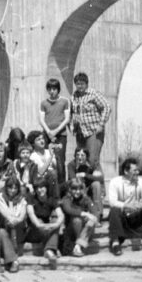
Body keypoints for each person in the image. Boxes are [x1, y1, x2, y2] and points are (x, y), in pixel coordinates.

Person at [70, 72, 110, 213]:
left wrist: (101, 124)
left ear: (86, 83)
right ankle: (88, 189)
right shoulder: (74, 96)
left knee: (93, 160)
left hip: (93, 132)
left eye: (82, 83)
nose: (80, 86)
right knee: (84, 161)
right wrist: (72, 127)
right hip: (80, 132)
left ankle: (101, 191)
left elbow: (107, 107)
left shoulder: (93, 94)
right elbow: (73, 113)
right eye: (77, 84)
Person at [25, 178, 64, 269]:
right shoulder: (31, 198)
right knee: (39, 221)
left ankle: (49, 250)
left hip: (46, 229)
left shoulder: (51, 199)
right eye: (37, 188)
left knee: (56, 221)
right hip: (34, 230)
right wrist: (39, 225)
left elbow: (61, 215)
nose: (39, 190)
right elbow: (31, 214)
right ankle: (52, 248)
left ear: (46, 188)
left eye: (42, 187)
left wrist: (56, 225)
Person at [39, 78, 71, 183]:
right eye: (49, 89)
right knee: (46, 158)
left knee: (60, 160)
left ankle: (62, 186)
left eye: (54, 89)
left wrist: (55, 131)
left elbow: (67, 119)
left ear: (58, 89)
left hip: (61, 135)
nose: (52, 91)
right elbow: (41, 120)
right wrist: (49, 132)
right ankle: (47, 184)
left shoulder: (65, 101)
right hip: (47, 135)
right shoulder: (44, 103)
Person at [60, 177, 98, 257]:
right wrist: (84, 214)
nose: (77, 191)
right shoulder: (66, 199)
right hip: (71, 230)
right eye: (74, 189)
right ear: (70, 189)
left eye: (79, 189)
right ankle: (79, 243)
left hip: (86, 230)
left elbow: (94, 211)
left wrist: (91, 216)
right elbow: (68, 210)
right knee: (77, 219)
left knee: (92, 220)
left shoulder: (86, 198)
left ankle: (78, 245)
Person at [65, 148, 104, 217]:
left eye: (82, 155)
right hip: (77, 188)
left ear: (87, 157)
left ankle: (98, 213)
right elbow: (73, 180)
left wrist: (85, 175)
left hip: (89, 187)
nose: (79, 157)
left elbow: (100, 178)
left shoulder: (92, 164)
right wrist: (77, 170)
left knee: (96, 184)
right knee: (79, 184)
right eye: (77, 155)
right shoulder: (71, 164)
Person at [27, 130, 59, 199]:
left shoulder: (48, 152)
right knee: (52, 173)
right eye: (38, 139)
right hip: (39, 181)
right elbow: (41, 172)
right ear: (33, 144)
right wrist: (51, 157)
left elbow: (56, 167)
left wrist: (56, 155)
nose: (42, 141)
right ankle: (55, 199)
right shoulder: (32, 156)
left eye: (42, 138)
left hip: (53, 179)